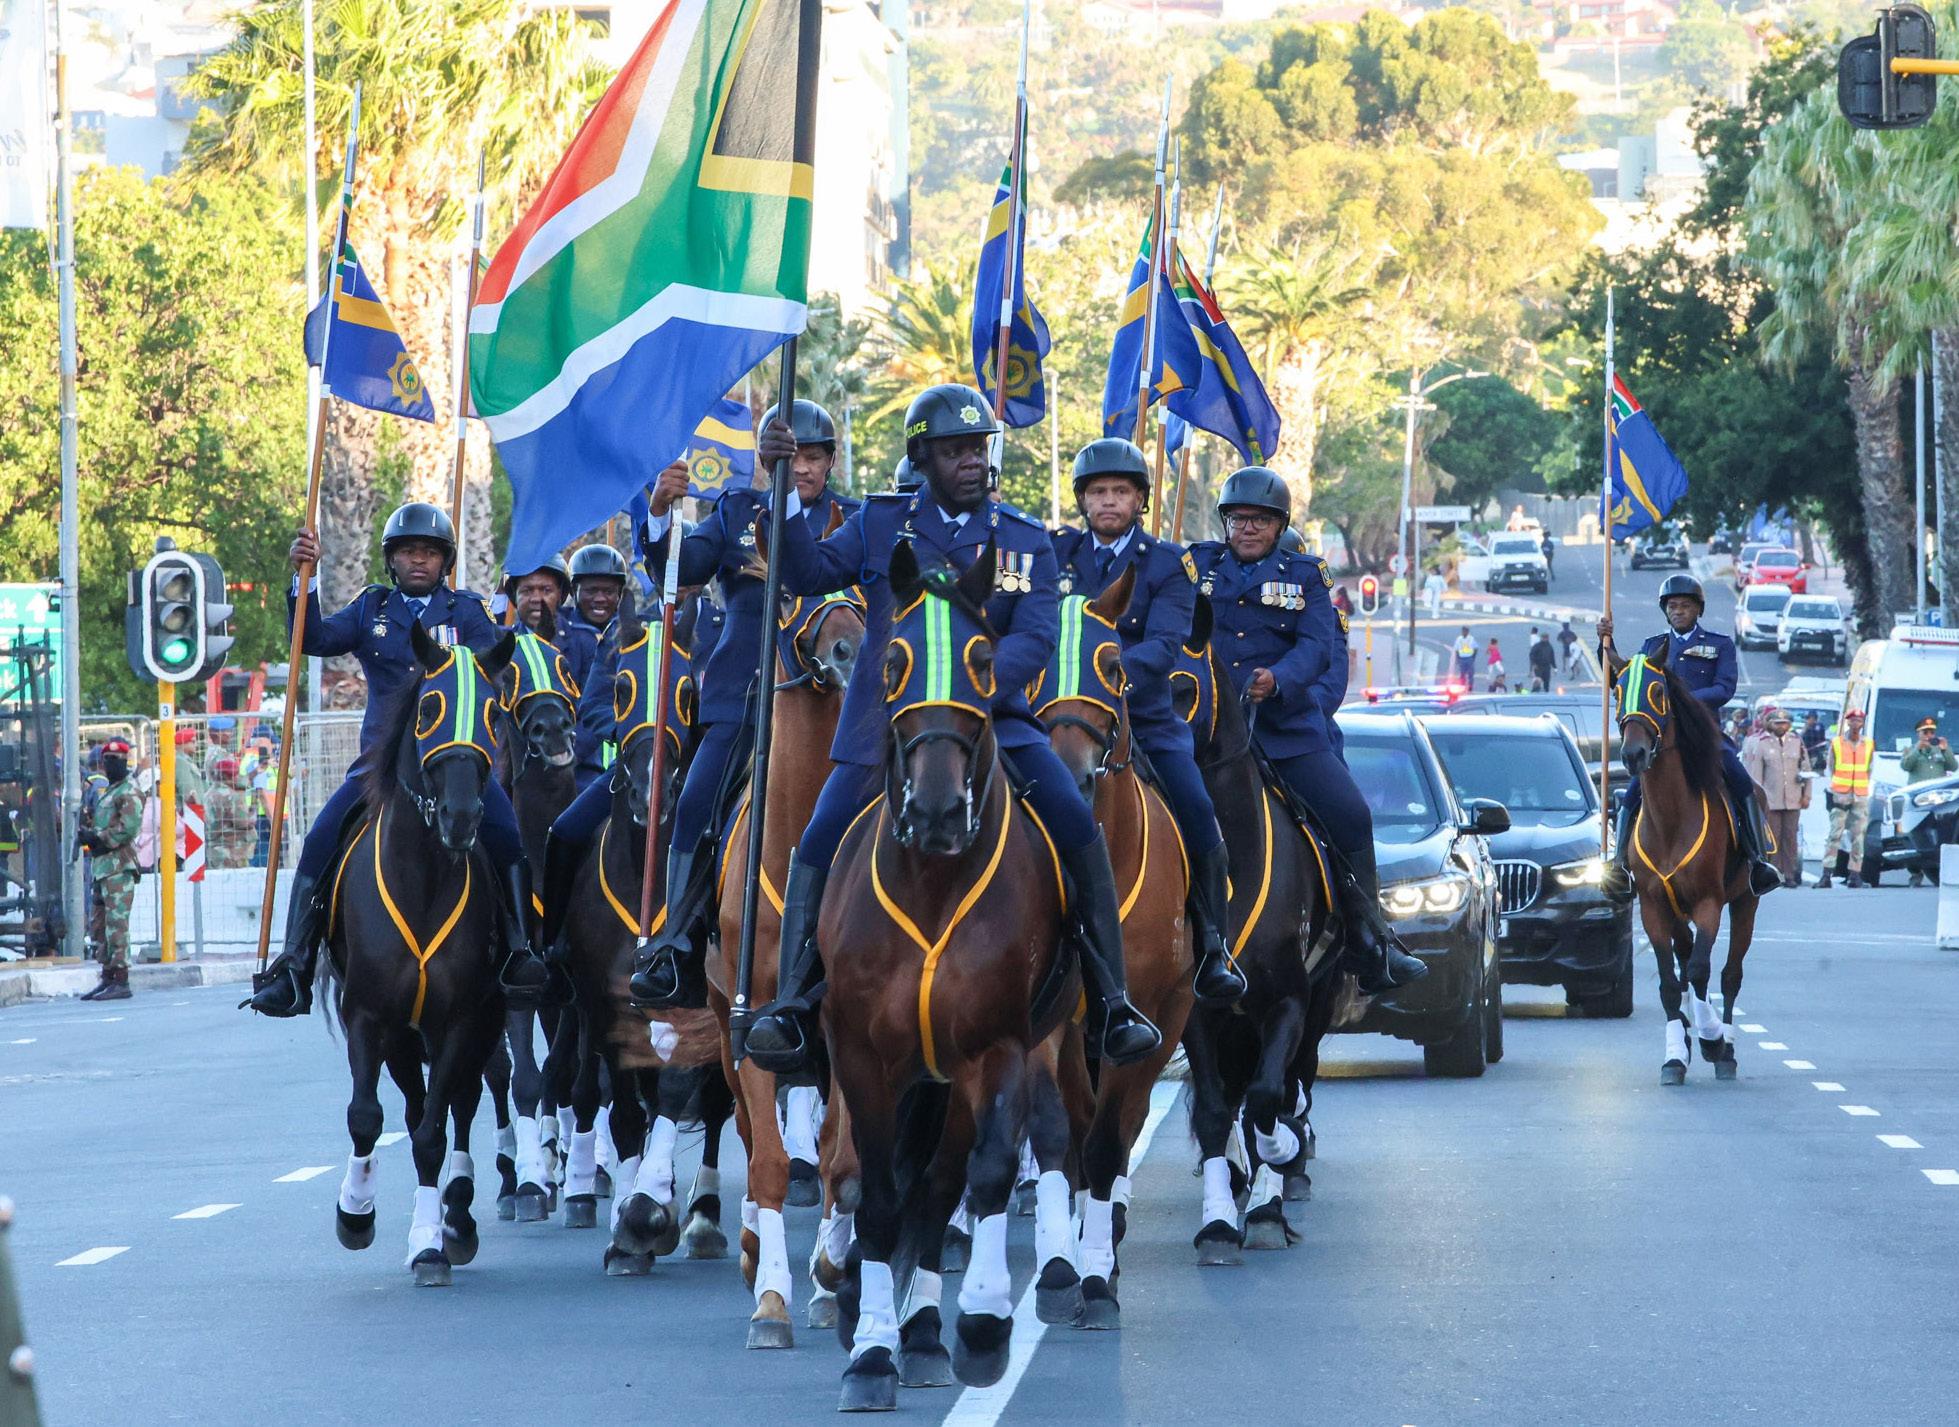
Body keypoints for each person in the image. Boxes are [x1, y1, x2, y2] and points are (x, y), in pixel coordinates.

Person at [730, 383, 1162, 1072]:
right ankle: (792, 1000)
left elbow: (1037, 636)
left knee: (1075, 823)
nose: (972, 461)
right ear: (922, 458)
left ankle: (1111, 1000)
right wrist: (779, 484)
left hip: (993, 721)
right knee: (818, 835)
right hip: (884, 722)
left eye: (978, 448)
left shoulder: (1022, 538)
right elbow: (808, 570)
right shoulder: (881, 522)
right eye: (956, 450)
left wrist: (969, 692)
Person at [243, 502, 549, 1017]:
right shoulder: (372, 609)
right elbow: (313, 639)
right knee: (321, 839)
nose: (418, 560)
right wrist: (304, 579)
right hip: (383, 763)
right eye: (408, 551)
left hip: (452, 758)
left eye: (429, 552)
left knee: (505, 834)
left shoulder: (467, 612)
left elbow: (493, 662)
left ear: (445, 561)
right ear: (391, 560)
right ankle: (295, 964)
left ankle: (520, 950)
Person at [625, 398, 861, 1008]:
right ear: (764, 459)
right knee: (696, 801)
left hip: (838, 701)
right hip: (747, 695)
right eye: (790, 456)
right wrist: (660, 513)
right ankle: (677, 942)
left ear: (830, 462)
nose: (801, 467)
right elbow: (678, 572)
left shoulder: (855, 520)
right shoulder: (735, 512)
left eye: (814, 456)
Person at [1187, 466, 1426, 995]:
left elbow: (1318, 647)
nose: (1248, 528)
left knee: (1351, 814)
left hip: (1284, 731)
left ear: (1280, 525)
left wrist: (1278, 680)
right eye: (1238, 518)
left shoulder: (1306, 575)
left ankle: (1370, 939)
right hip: (1205, 732)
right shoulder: (1196, 567)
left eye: (1260, 519)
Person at [1046, 437, 1244, 1004]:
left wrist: (1101, 678)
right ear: (1083, 500)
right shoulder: (1054, 555)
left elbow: (1163, 645)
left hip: (1143, 718)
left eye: (1121, 492)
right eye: (1098, 492)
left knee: (1196, 808)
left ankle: (1213, 945)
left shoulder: (1166, 564)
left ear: (1141, 501)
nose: (1109, 501)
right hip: (1057, 715)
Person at [1597, 573, 1781, 901]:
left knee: (1741, 781)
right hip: (1662, 740)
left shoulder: (1719, 644)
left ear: (1698, 610)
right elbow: (1622, 680)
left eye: (1685, 606)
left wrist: (1684, 702)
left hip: (1704, 735)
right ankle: (1620, 863)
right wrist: (1604, 642)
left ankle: (1757, 861)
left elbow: (1724, 688)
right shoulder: (1651, 647)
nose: (1678, 611)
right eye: (1672, 606)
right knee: (1632, 793)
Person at [78, 739, 142, 1002]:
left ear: (125, 761)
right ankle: (107, 976)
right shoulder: (109, 791)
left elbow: (128, 827)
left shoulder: (129, 791)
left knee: (117, 925)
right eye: (107, 760)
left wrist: (98, 838)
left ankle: (121, 979)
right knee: (100, 925)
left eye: (116, 760)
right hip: (102, 867)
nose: (110, 765)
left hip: (118, 866)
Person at [1743, 707, 1808, 888]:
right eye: (1777, 723)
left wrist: (1806, 795)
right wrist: (1759, 800)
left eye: (1785, 723)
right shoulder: (1762, 743)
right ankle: (1775, 872)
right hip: (1771, 800)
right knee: (1773, 838)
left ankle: (1790, 874)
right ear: (1770, 724)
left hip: (1793, 799)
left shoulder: (1796, 742)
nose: (1781, 726)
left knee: (1791, 839)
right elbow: (1757, 776)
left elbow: (1806, 769)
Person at [1817, 707, 1874, 889]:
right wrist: (1838, 789)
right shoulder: (1837, 743)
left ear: (1863, 724)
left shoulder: (1868, 744)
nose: (1856, 724)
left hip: (1860, 795)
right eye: (1853, 720)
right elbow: (1831, 767)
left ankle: (1855, 875)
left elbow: (1869, 768)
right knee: (1834, 834)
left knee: (1859, 837)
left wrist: (1861, 787)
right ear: (1848, 722)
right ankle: (1826, 874)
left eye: (1859, 721)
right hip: (1840, 795)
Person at [560, 543, 628, 690]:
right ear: (573, 591)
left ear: (619, 594)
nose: (600, 599)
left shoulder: (630, 632)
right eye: (591, 591)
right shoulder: (558, 629)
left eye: (608, 592)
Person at [1900, 716, 1957, 885]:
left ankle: (1939, 869)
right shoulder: (1910, 749)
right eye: (1925, 732)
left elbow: (1953, 767)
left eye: (1931, 732)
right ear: (1918, 734)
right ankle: (1915, 873)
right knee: (1914, 834)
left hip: (1937, 801)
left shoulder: (1939, 749)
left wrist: (1945, 750)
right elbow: (1905, 765)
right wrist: (1918, 750)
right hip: (1918, 801)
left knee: (1937, 834)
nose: (1929, 736)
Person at [204, 754, 254, 871]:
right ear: (228, 776)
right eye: (235, 775)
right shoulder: (231, 796)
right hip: (230, 851)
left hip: (211, 849)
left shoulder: (207, 794)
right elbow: (243, 823)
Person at [503, 556, 571, 637]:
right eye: (526, 591)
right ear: (515, 596)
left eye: (546, 590)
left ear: (560, 594)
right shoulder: (501, 642)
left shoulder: (579, 641)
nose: (536, 599)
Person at [1529, 628, 1556, 692]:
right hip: (1538, 666)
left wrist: (1555, 667)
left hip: (1547, 667)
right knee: (1537, 681)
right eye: (1543, 637)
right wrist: (1534, 664)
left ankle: (1546, 693)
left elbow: (1552, 657)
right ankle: (1535, 692)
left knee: (1547, 681)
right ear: (1541, 638)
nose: (1545, 639)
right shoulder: (1537, 646)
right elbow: (1531, 655)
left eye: (1546, 637)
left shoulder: (1549, 646)